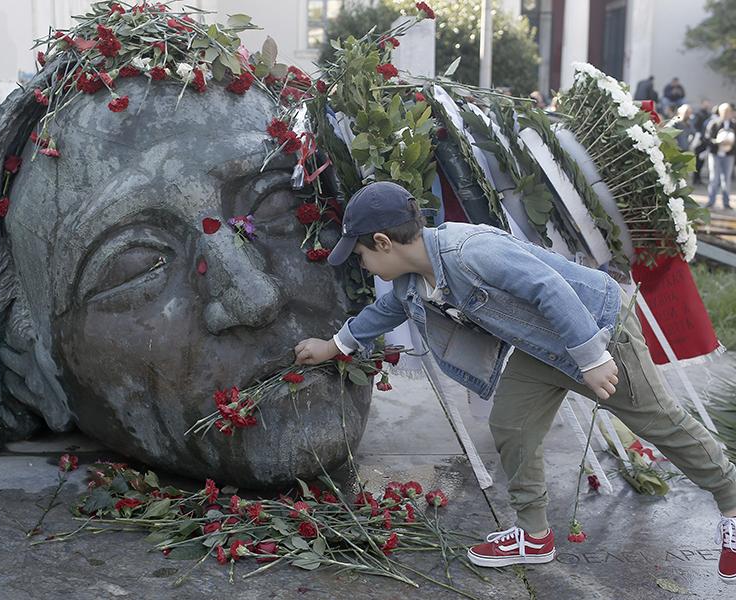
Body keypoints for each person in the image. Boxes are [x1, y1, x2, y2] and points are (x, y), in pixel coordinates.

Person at [293, 181, 736, 584]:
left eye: (362, 255)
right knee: (512, 424)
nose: (363, 263)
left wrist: (593, 357)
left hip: (597, 331)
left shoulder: (469, 251)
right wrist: (333, 346)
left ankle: (731, 499)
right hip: (542, 345)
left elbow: (550, 286)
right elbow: (385, 312)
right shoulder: (413, 277)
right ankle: (534, 534)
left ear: (384, 243)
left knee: (660, 423)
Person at [704, 102, 736, 209]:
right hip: (715, 154)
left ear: (731, 113)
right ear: (720, 112)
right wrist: (718, 142)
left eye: (728, 112)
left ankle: (726, 202)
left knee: (726, 179)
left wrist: (730, 143)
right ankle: (711, 200)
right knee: (714, 178)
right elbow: (707, 138)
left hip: (729, 156)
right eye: (724, 112)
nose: (726, 114)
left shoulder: (734, 125)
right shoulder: (714, 123)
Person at [692, 100, 713, 184]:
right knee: (697, 161)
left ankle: (699, 178)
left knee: (702, 161)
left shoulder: (708, 115)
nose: (707, 105)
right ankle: (695, 178)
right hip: (699, 141)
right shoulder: (698, 114)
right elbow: (695, 127)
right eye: (705, 103)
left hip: (705, 141)